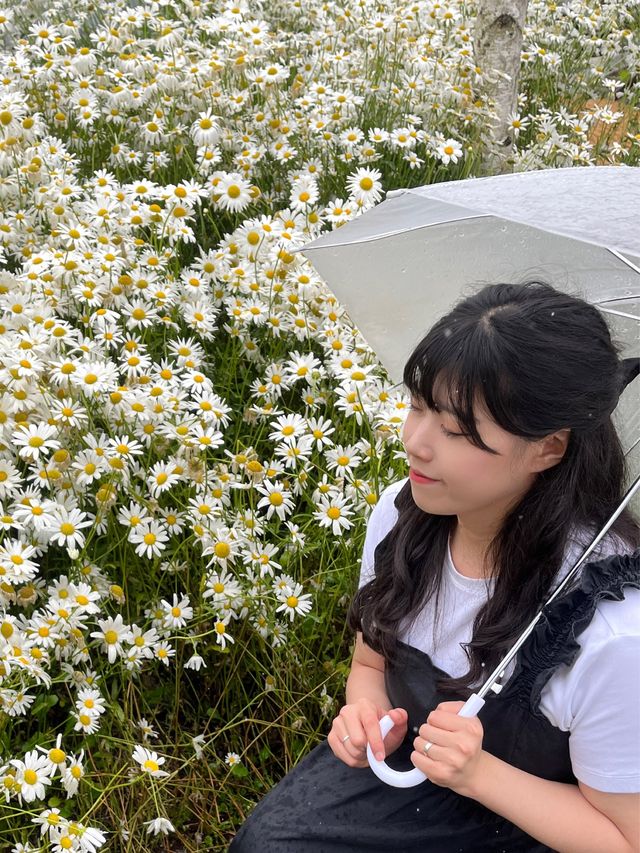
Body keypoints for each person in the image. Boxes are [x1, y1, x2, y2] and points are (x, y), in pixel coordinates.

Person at [229, 281, 640, 852]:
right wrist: (365, 711)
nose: (416, 444)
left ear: (548, 447)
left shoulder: (609, 631)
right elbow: (370, 664)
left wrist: (479, 775)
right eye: (418, 406)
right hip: (410, 776)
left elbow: (623, 840)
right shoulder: (408, 517)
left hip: (531, 826)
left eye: (456, 431)